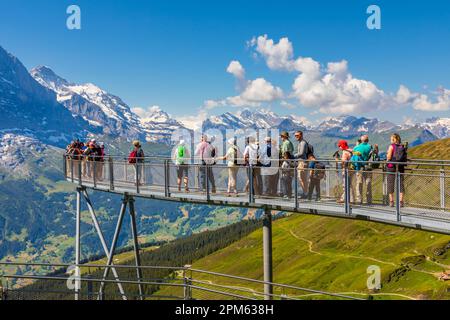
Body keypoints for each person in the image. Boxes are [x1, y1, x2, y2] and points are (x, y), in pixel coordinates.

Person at [386, 133, 407, 207]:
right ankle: (401, 201)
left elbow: (388, 157)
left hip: (391, 167)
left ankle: (391, 201)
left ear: (394, 139)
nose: (390, 140)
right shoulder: (402, 146)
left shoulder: (391, 146)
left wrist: (387, 155)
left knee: (390, 183)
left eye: (391, 139)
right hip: (400, 167)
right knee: (401, 183)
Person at [352, 134, 373, 204]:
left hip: (359, 168)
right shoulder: (370, 147)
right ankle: (368, 199)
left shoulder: (356, 148)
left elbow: (353, 158)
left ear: (361, 140)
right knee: (368, 183)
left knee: (359, 183)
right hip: (368, 168)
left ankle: (359, 199)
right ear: (368, 140)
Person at [294, 130, 309, 198]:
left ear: (301, 135)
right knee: (303, 179)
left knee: (302, 178)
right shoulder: (301, 142)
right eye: (295, 136)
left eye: (297, 135)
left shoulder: (303, 143)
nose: (296, 137)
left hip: (302, 162)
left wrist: (293, 156)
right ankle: (305, 193)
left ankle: (305, 193)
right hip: (301, 162)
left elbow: (301, 153)